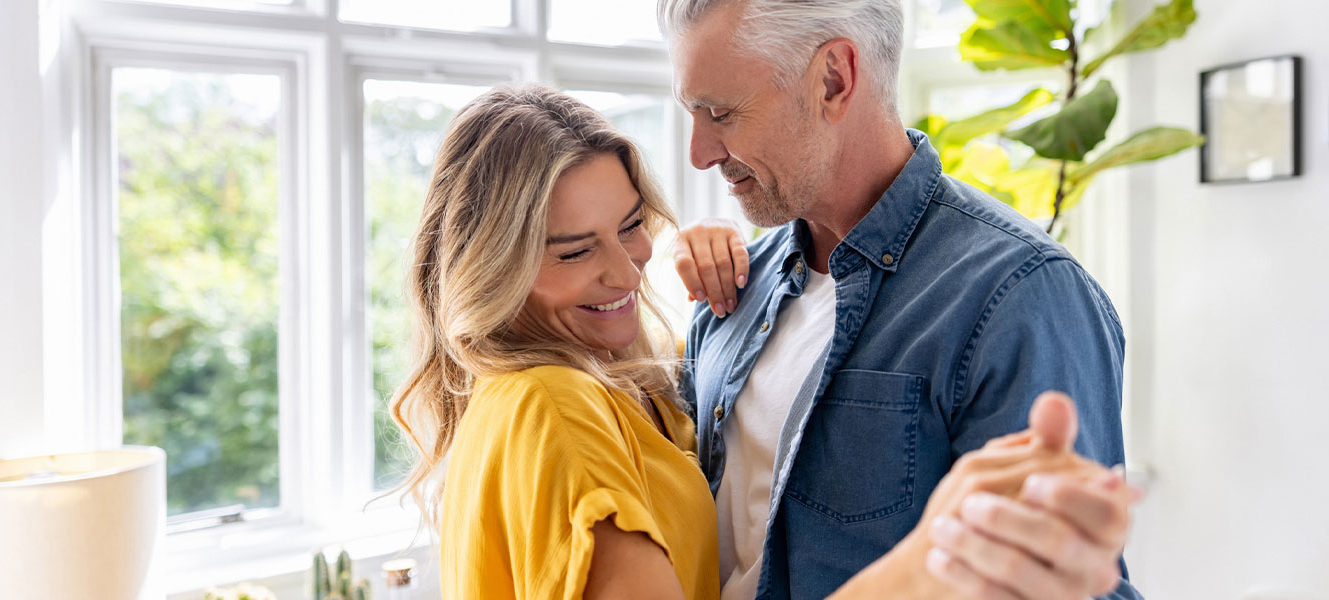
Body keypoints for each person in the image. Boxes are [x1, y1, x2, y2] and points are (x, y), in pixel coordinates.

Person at [389, 83, 1130, 600]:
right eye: (575, 250)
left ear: (834, 78)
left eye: (632, 225)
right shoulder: (553, 407)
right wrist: (929, 566)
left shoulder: (590, 384)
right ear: (494, 268)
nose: (627, 269)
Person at [659, 0, 1143, 599]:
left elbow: (1071, 583)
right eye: (691, 114)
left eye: (721, 113)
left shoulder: (1022, 294)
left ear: (833, 79)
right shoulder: (731, 287)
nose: (699, 153)